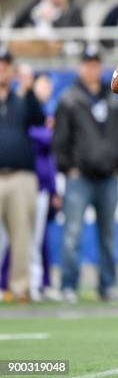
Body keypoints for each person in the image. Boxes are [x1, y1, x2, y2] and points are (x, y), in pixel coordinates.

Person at [52, 47, 118, 303]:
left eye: (96, 64)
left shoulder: (113, 97)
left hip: (108, 176)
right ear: (80, 67)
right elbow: (59, 138)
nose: (92, 69)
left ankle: (108, 285)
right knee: (73, 234)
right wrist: (67, 168)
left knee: (108, 236)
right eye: (87, 64)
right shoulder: (69, 98)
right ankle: (68, 286)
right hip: (80, 176)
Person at [0, 49, 45, 303]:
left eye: (5, 65)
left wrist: (28, 90)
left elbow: (39, 119)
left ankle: (20, 288)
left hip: (20, 176)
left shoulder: (21, 99)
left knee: (21, 236)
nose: (1, 69)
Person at [11, 0, 83, 57]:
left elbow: (79, 38)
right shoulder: (34, 7)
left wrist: (55, 19)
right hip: (36, 58)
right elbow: (15, 26)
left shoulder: (74, 10)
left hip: (65, 61)